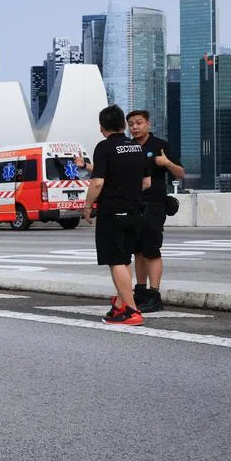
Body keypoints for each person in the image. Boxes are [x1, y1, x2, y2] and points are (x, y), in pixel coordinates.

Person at [82, 105, 150, 326]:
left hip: (113, 211)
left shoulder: (104, 147)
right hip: (135, 211)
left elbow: (97, 182)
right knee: (124, 259)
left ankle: (131, 311)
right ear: (123, 124)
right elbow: (146, 182)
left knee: (115, 261)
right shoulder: (137, 147)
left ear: (102, 127)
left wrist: (88, 205)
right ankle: (121, 304)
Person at [127, 109, 185, 313]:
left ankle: (154, 295)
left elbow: (180, 173)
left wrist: (167, 163)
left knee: (152, 251)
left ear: (148, 124)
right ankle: (140, 291)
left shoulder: (160, 145)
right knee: (137, 251)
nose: (135, 127)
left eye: (139, 123)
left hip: (154, 205)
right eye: (131, 124)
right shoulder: (128, 147)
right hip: (134, 205)